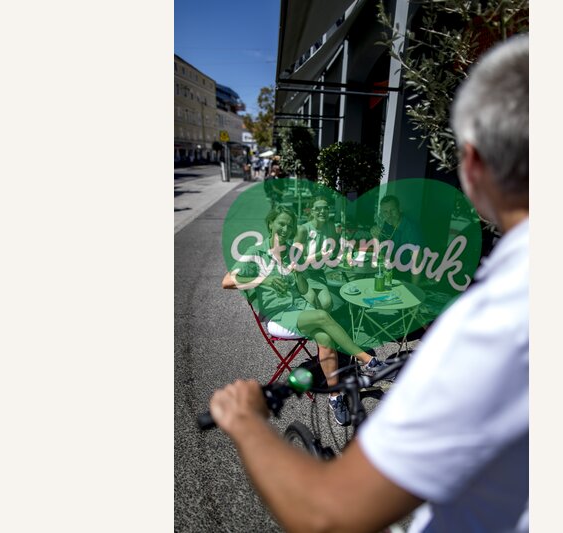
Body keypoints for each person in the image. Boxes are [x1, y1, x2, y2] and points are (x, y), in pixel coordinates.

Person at [209, 35, 529, 532]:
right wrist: (269, 270)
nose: (291, 230)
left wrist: (244, 419)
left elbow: (328, 514)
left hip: (310, 301)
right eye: (288, 226)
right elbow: (233, 277)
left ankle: (355, 363)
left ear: (471, 165)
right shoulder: (261, 254)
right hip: (285, 311)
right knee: (322, 314)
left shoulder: (499, 314)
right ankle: (357, 363)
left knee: (328, 304)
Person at [222, 205, 390, 425]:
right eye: (281, 223)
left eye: (290, 225)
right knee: (322, 316)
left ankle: (335, 396)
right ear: (271, 224)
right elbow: (227, 281)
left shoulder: (293, 252)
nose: (285, 228)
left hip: (301, 309)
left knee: (326, 338)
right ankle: (369, 361)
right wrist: (265, 279)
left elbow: (302, 290)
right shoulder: (256, 253)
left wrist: (299, 273)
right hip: (278, 315)